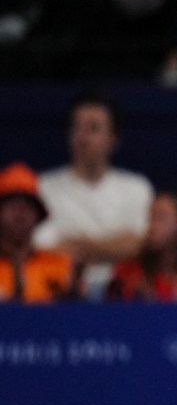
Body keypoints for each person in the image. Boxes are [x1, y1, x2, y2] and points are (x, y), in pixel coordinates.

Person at [33, 93, 154, 300]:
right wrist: (114, 245)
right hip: (60, 295)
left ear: (113, 139)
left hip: (122, 296)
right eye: (77, 127)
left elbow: (140, 245)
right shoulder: (43, 187)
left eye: (93, 128)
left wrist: (74, 243)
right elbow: (43, 247)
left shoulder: (137, 187)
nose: (82, 137)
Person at [0, 162, 75, 302]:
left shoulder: (60, 264)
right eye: (12, 205)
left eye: (28, 206)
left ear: (38, 216)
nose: (20, 214)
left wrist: (74, 292)